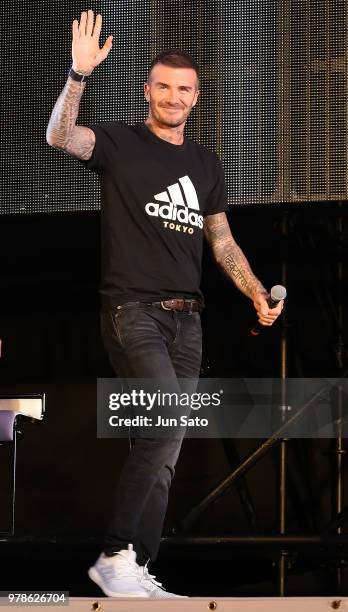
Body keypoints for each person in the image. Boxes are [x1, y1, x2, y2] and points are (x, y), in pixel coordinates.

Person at [46, 9, 283, 599]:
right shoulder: (121, 143)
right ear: (147, 91)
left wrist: (253, 290)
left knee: (167, 440)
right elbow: (58, 136)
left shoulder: (205, 163)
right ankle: (116, 553)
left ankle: (134, 564)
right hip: (134, 312)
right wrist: (78, 75)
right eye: (163, 87)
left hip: (189, 321)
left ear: (196, 98)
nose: (173, 98)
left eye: (184, 90)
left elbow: (221, 240)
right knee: (167, 420)